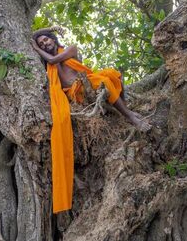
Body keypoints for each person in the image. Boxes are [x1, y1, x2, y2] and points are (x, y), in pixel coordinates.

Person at [30, 26, 150, 214]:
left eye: (46, 39)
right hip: (74, 94)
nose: (45, 43)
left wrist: (38, 44)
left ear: (54, 39)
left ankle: (129, 115)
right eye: (41, 43)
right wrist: (39, 40)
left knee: (108, 76)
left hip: (88, 84)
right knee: (104, 81)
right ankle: (125, 112)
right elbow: (44, 55)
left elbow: (53, 59)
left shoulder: (70, 49)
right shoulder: (48, 68)